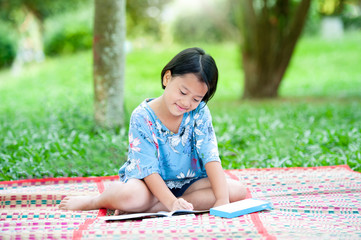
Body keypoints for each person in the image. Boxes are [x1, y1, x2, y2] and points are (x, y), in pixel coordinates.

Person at [59, 47, 246, 213]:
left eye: (196, 99)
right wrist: (171, 201)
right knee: (130, 196)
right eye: (183, 92)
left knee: (236, 191)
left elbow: (210, 156)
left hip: (189, 184)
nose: (187, 102)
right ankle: (95, 201)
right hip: (147, 185)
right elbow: (148, 170)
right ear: (167, 78)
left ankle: (155, 208)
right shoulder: (142, 116)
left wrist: (222, 201)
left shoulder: (199, 113)